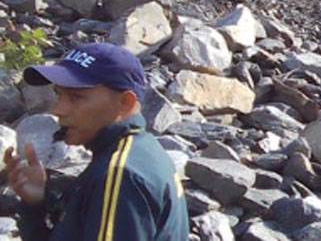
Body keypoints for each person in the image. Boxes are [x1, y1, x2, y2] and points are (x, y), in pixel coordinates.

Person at [4, 43, 189, 241]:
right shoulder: (137, 152)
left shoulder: (121, 174)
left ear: (125, 103)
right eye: (59, 94)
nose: (58, 109)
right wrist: (36, 205)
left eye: (76, 97)